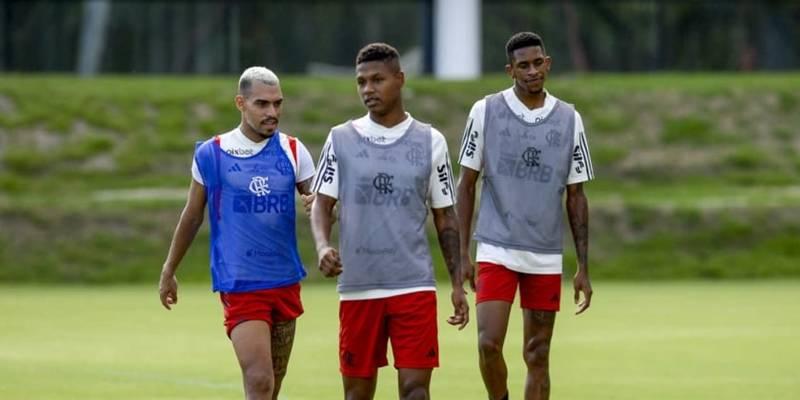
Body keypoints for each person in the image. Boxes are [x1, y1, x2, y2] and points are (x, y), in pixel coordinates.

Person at [310, 43, 469, 400]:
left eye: (377, 80)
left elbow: (445, 217)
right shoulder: (340, 139)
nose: (368, 89)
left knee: (416, 392)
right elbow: (321, 203)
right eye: (361, 82)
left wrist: (457, 284)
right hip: (358, 287)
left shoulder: (431, 141)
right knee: (357, 395)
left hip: (413, 286)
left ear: (400, 80)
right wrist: (322, 245)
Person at [158, 66, 316, 400]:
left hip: (285, 281)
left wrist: (323, 206)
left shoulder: (292, 150)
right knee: (259, 381)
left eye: (277, 103)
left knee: (272, 386)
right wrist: (169, 269)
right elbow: (191, 216)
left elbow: (320, 204)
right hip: (240, 282)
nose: (272, 112)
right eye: (262, 104)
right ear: (240, 103)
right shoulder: (212, 153)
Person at [455, 32, 594, 400]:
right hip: (496, 249)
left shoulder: (569, 119)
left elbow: (577, 196)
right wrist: (462, 255)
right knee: (488, 343)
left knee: (538, 353)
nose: (532, 71)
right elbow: (465, 184)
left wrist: (582, 266)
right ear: (510, 71)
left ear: (547, 63)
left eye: (538, 63)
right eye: (523, 66)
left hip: (545, 254)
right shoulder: (485, 111)